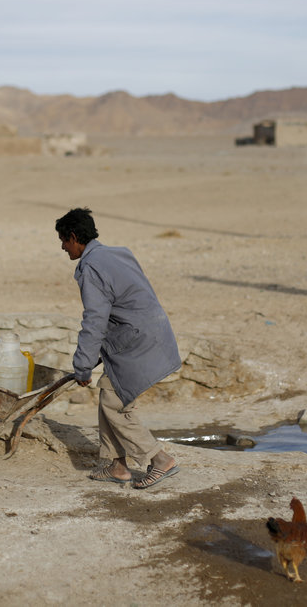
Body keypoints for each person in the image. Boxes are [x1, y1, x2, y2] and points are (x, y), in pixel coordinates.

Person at [55, 207, 182, 489]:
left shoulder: (91, 268)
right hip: (149, 331)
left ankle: (159, 460)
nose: (62, 247)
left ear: (74, 237)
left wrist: (83, 365)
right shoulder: (117, 253)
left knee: (115, 402)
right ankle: (118, 466)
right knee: (109, 396)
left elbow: (95, 320)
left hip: (136, 341)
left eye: (64, 240)